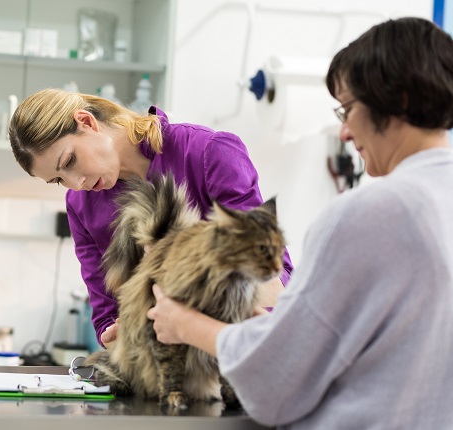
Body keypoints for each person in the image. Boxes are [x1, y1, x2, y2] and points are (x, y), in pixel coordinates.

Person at [147, 17, 453, 428]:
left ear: (395, 100)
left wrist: (185, 324)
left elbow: (278, 382)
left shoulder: (368, 211)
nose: (343, 131)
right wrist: (277, 331)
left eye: (348, 109)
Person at [9, 88, 294, 349]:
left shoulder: (208, 153)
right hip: (162, 361)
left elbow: (265, 269)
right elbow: (106, 308)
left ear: (86, 121)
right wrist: (116, 334)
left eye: (70, 161)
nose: (76, 182)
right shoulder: (80, 204)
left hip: (245, 342)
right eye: (59, 180)